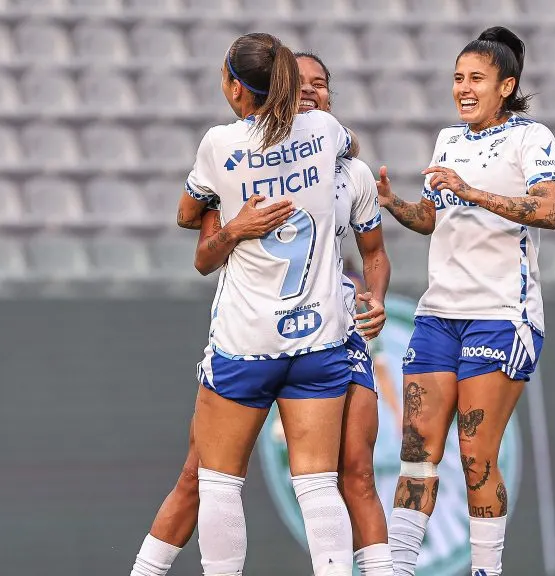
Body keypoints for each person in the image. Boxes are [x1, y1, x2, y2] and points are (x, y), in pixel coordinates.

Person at [130, 50, 393, 576]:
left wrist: (237, 219)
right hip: (316, 341)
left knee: (222, 481)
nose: (312, 92)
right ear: (281, 88)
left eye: (321, 83)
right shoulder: (325, 132)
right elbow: (205, 250)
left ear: (233, 87)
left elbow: (187, 215)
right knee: (314, 483)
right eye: (301, 83)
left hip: (252, 340)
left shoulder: (221, 147)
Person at [377, 26, 555, 576]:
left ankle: (485, 569)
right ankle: (400, 568)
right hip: (439, 314)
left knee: (476, 455)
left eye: (476, 79)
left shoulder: (533, 139)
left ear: (505, 86)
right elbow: (434, 218)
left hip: (501, 316)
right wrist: (395, 205)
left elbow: (549, 210)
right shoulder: (448, 139)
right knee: (415, 452)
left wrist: (472, 191)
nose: (463, 88)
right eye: (458, 78)